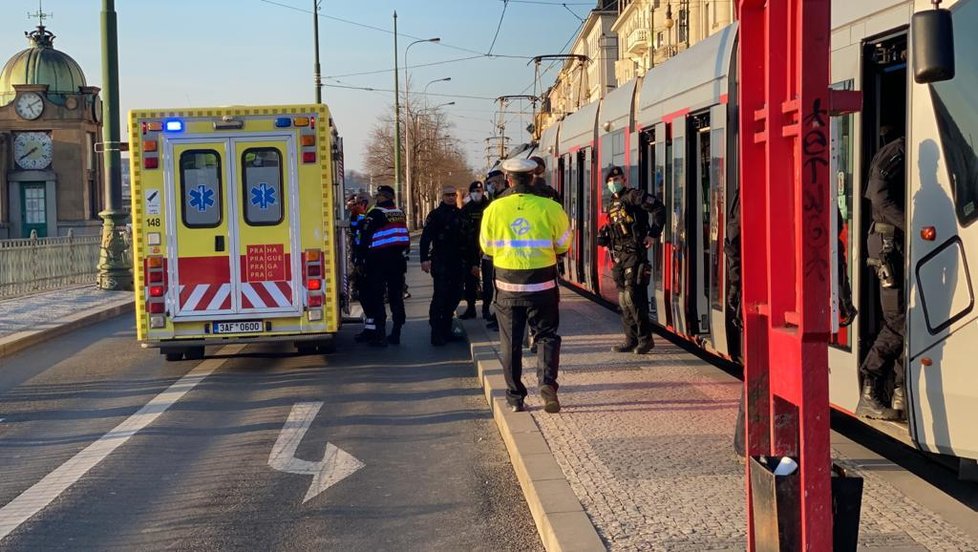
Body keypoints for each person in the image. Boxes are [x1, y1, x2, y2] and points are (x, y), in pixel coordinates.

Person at [481, 158, 571, 413]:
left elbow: (486, 246)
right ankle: (547, 386)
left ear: (508, 179)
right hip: (542, 284)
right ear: (533, 178)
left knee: (510, 343)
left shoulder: (494, 209)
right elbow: (564, 243)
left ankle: (515, 397)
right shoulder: (551, 208)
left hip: (507, 286)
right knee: (546, 336)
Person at [856, 129, 906, 421]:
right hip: (888, 244)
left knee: (907, 320)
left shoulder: (901, 151)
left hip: (894, 244)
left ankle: (899, 389)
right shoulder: (897, 150)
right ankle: (871, 391)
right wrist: (910, 223)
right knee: (898, 321)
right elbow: (879, 196)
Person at [597, 166, 666, 354]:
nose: (613, 183)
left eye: (617, 179)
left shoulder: (633, 196)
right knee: (623, 299)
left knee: (634, 297)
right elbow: (614, 228)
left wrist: (653, 234)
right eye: (610, 181)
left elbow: (659, 208)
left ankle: (645, 339)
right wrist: (604, 239)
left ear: (624, 180)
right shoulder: (612, 203)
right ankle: (631, 338)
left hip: (635, 253)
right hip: (619, 256)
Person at [420, 185, 477, 345]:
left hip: (458, 262)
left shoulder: (461, 215)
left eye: (453, 194)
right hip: (441, 261)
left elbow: (470, 241)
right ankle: (436, 332)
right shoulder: (435, 215)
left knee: (456, 296)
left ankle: (446, 328)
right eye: (447, 195)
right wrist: (424, 259)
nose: (451, 198)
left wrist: (474, 263)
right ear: (442, 197)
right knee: (440, 297)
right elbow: (426, 239)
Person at [356, 185, 409, 346]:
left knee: (377, 297)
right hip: (397, 261)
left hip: (378, 261)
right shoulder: (399, 213)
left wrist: (359, 259)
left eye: (379, 196)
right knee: (396, 297)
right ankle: (396, 332)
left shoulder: (375, 213)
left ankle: (380, 334)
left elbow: (364, 238)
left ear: (383, 197)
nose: (377, 198)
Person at [461, 181, 492, 320]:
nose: (477, 193)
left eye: (479, 191)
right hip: (470, 249)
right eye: (474, 191)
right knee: (470, 281)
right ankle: (471, 308)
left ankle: (486, 309)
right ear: (470, 192)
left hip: (487, 250)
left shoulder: (490, 207)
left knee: (488, 281)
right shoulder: (466, 209)